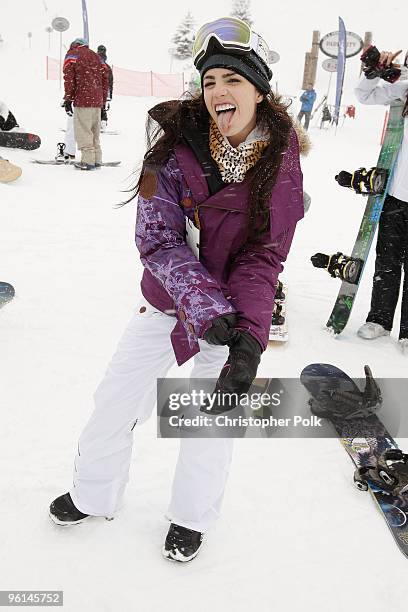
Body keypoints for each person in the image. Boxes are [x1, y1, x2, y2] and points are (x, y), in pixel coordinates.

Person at [49, 16, 305, 562]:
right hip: (168, 302)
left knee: (213, 420)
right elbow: (157, 239)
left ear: (259, 90)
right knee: (113, 404)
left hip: (232, 312)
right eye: (210, 82)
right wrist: (199, 303)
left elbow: (265, 253)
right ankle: (93, 494)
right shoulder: (167, 152)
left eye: (232, 80)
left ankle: (190, 517)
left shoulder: (283, 161)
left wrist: (250, 337)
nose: (218, 92)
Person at [355, 48, 408, 353]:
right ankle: (379, 319)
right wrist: (372, 71)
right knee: (387, 261)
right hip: (397, 195)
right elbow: (365, 95)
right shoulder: (402, 91)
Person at [63, 38, 108, 170]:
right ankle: (97, 159)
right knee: (94, 131)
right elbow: (105, 79)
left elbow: (69, 78)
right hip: (97, 99)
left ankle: (87, 161)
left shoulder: (72, 54)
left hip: (83, 98)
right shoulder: (96, 56)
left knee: (83, 130)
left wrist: (68, 98)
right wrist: (103, 100)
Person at [97, 45, 113, 132]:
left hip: (95, 89)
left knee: (95, 108)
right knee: (102, 107)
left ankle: (97, 124)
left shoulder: (94, 62)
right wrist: (109, 96)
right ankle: (103, 122)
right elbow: (110, 82)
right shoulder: (107, 66)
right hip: (104, 90)